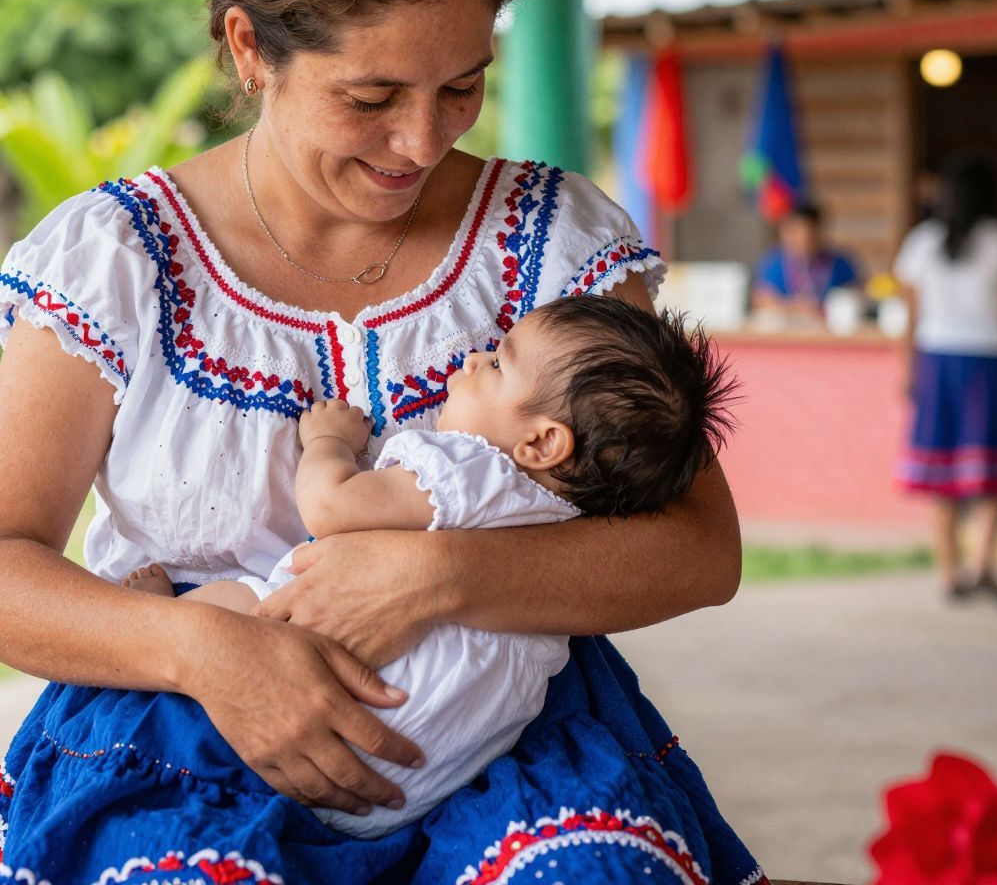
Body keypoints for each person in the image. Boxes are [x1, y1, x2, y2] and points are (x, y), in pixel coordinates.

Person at [0, 0, 761, 884]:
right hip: (183, 739)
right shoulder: (117, 260)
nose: (421, 142)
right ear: (248, 49)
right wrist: (208, 650)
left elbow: (697, 547)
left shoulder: (555, 242)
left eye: (460, 87)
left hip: (507, 741)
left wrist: (434, 575)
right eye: (370, 99)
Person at [122, 296, 737, 838]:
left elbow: (333, 506)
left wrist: (328, 444)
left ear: (544, 444)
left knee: (240, 603)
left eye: (497, 363)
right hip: (415, 781)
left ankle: (162, 611)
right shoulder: (570, 518)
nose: (472, 361)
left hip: (321, 727)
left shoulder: (471, 473)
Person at [892, 155, 997, 606]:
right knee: (996, 472)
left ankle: (948, 574)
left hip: (939, 364)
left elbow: (910, 320)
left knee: (943, 474)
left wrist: (907, 370)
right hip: (993, 366)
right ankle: (983, 566)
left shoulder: (920, 243)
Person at [751, 201, 861, 316]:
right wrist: (795, 308)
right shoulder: (774, 263)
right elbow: (761, 299)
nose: (803, 240)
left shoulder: (840, 264)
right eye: (795, 233)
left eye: (810, 234)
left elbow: (856, 295)